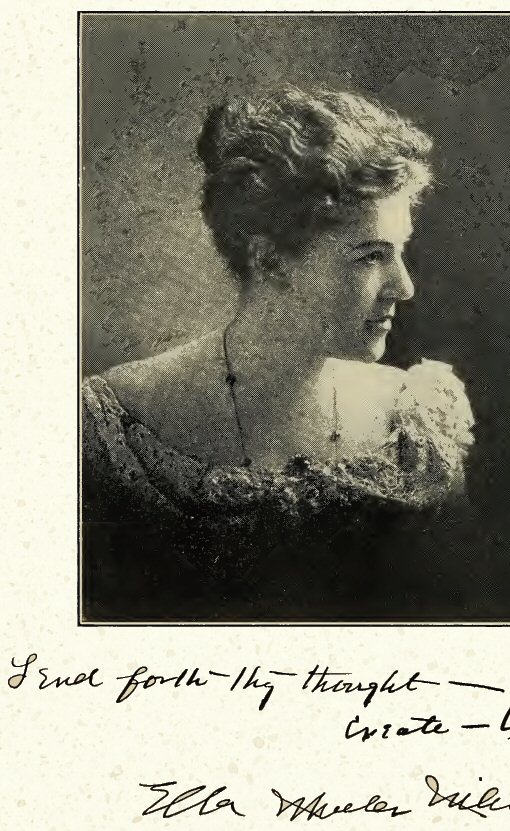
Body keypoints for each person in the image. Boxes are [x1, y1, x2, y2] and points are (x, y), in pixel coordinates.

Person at [82, 85, 475, 622]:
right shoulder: (111, 427)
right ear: (270, 261)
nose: (403, 287)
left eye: (399, 252)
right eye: (370, 256)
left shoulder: (418, 417)